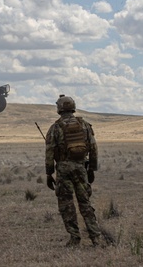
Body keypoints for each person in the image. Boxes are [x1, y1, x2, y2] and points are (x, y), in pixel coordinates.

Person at [44, 94, 110, 247]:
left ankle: (74, 238)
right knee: (85, 203)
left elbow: (49, 152)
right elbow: (93, 148)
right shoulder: (85, 125)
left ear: (59, 109)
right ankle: (96, 238)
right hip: (81, 168)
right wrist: (92, 169)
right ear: (73, 107)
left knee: (66, 204)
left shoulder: (55, 127)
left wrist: (49, 173)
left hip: (63, 170)